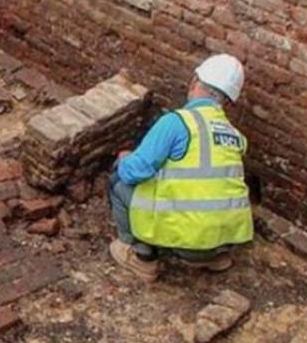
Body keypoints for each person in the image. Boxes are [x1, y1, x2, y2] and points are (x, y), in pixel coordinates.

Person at [108, 54, 253, 279]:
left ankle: (141, 257)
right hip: (226, 240)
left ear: (195, 81)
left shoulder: (177, 122)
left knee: (118, 181)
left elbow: (136, 171)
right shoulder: (235, 136)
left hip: (188, 242)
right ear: (229, 101)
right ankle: (215, 258)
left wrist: (125, 159)